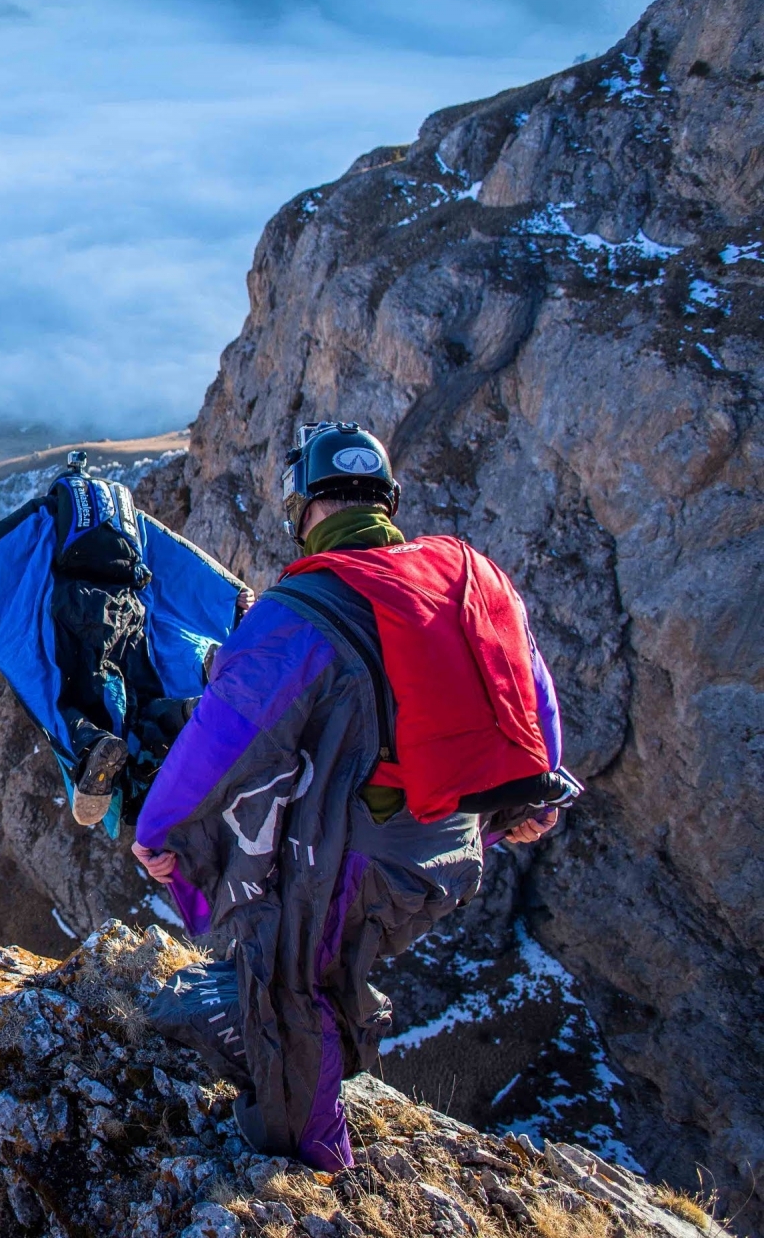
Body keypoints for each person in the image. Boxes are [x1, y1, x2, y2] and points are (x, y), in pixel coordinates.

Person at [131, 422, 579, 1171]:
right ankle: (331, 1034)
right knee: (329, 943)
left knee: (287, 975)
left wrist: (160, 830)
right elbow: (533, 694)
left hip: (370, 859)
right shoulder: (465, 573)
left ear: (304, 508)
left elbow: (223, 735)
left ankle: (308, 1155)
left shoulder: (303, 609)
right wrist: (534, 802)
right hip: (458, 844)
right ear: (388, 501)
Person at [0, 450, 251, 834]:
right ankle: (180, 714)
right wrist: (231, 594)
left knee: (68, 702)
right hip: (129, 615)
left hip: (74, 615)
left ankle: (94, 747)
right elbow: (180, 554)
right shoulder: (130, 521)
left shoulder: (45, 515)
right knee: (139, 698)